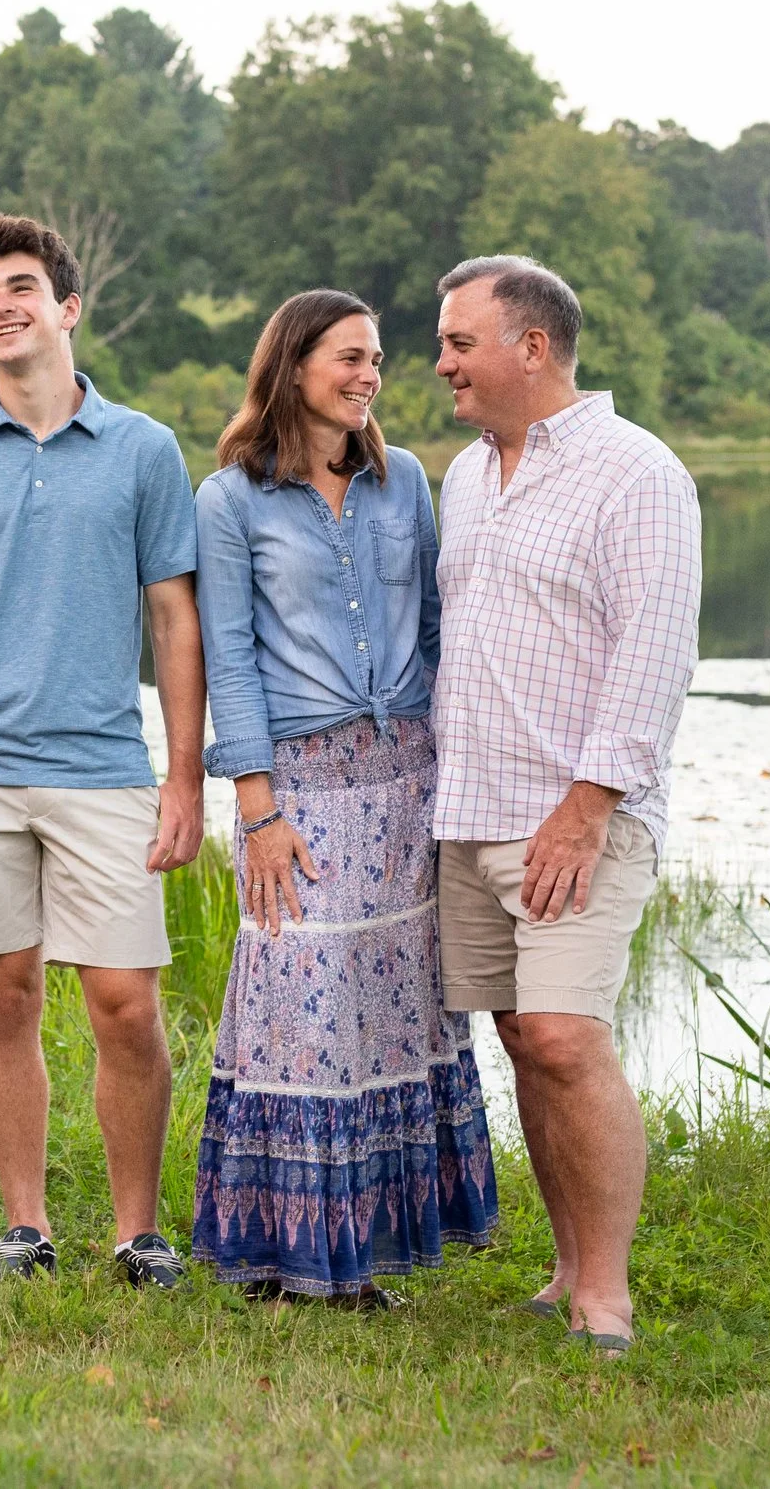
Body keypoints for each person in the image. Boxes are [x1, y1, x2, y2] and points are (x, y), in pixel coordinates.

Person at [0, 212, 207, 1289]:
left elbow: (173, 618)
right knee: (4, 993)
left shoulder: (144, 448)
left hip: (105, 765)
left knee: (124, 1000)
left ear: (67, 307)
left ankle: (137, 1228)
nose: (0, 306)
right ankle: (25, 1224)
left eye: (19, 287)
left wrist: (183, 775)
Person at [190, 289, 499, 1304]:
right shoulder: (229, 499)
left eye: (376, 359)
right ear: (292, 363)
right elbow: (228, 662)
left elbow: (439, 637)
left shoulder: (404, 478)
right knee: (296, 1001)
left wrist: (460, 771)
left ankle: (360, 1255)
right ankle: (283, 1251)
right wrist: (256, 807)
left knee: (386, 1010)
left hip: (405, 778)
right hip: (301, 789)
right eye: (348, 357)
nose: (369, 374)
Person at [429, 255, 702, 1357]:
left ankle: (608, 1294)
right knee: (517, 1036)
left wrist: (587, 805)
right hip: (472, 809)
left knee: (562, 1034)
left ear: (528, 346)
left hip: (575, 817)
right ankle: (564, 1264)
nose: (440, 362)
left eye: (457, 341)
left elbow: (656, 650)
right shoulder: (460, 475)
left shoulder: (636, 472)